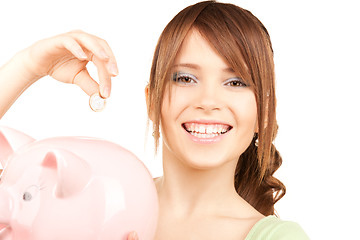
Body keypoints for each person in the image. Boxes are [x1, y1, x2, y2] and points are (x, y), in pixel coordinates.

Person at [0, 1, 309, 239]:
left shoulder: (277, 237)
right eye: (186, 78)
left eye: (236, 82)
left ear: (264, 114)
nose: (208, 102)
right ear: (152, 100)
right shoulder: (104, 202)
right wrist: (26, 66)